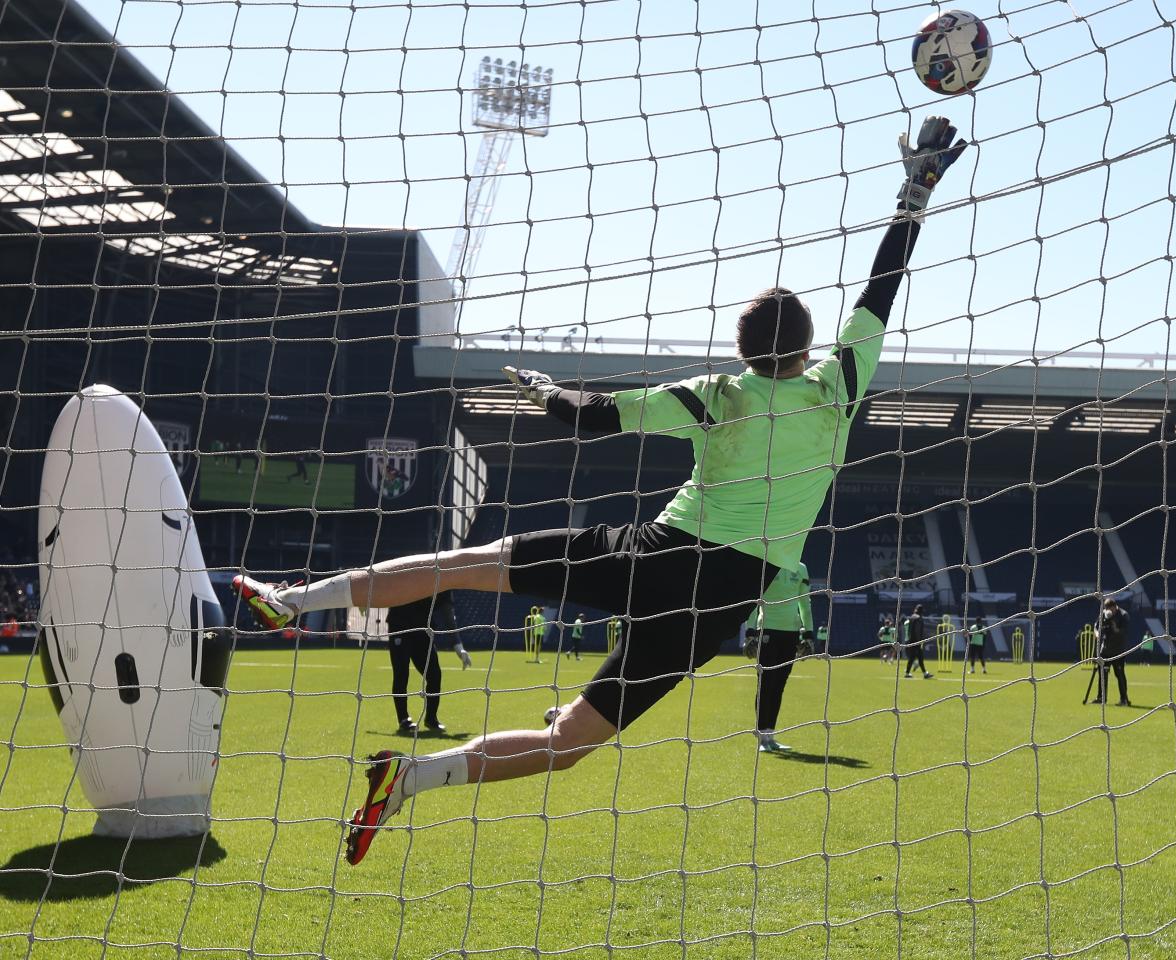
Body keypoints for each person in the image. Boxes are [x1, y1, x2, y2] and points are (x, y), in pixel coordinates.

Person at [231, 116, 967, 865]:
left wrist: (546, 391)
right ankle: (413, 780)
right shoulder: (838, 386)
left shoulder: (716, 393)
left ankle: (291, 601)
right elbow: (883, 286)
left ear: (740, 349)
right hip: (717, 604)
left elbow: (587, 421)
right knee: (567, 745)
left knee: (469, 564)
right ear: (810, 346)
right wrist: (917, 190)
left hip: (656, 555)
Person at [744, 561, 814, 752]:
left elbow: (804, 602)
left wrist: (808, 634)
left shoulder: (801, 568)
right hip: (767, 630)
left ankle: (770, 736)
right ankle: (761, 738)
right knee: (766, 684)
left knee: (779, 687)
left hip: (790, 634)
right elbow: (754, 600)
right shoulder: (767, 563)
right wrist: (750, 632)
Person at [386, 592, 472, 736]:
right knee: (401, 673)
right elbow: (389, 587)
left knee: (434, 675)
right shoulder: (414, 571)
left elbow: (447, 612)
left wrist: (458, 645)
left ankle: (431, 718)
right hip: (400, 626)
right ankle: (403, 719)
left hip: (423, 630)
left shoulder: (443, 581)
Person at [1093, 598, 1131, 706]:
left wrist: (1115, 628)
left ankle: (1124, 699)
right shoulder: (1103, 614)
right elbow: (1096, 626)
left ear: (1115, 607)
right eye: (1105, 608)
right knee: (1102, 674)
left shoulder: (1123, 615)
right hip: (1105, 650)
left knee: (1119, 674)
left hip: (1118, 650)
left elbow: (1124, 631)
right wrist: (1097, 634)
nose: (1108, 611)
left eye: (1110, 609)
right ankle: (1101, 698)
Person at [902, 605, 933, 679]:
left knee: (914, 657)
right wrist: (919, 640)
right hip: (916, 641)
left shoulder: (911, 617)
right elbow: (917, 630)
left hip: (910, 640)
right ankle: (925, 673)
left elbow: (910, 630)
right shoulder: (919, 618)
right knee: (919, 657)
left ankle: (910, 673)